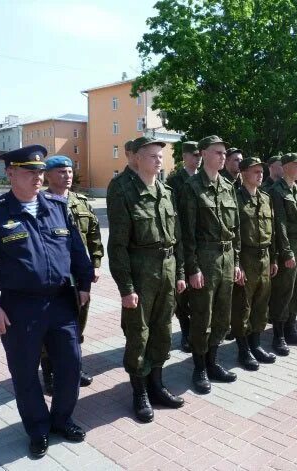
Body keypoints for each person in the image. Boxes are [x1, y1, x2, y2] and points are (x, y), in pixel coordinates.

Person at [0, 145, 93, 457]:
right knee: (25, 373)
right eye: (30, 171)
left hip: (62, 302)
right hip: (20, 306)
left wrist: (85, 282)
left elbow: (77, 248)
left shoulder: (56, 206)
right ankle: (38, 429)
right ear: (10, 173)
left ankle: (62, 419)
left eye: (40, 171)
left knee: (70, 366)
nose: (38, 177)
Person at [107, 136, 186, 422]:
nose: (158, 160)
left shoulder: (165, 191)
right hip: (140, 272)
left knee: (163, 328)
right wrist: (126, 287)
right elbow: (117, 245)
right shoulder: (122, 189)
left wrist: (178, 273)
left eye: (160, 156)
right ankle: (139, 391)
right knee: (138, 333)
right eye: (152, 155)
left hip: (166, 268)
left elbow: (176, 237)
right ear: (137, 158)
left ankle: (157, 384)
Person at [179, 135, 242, 394]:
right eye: (217, 152)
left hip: (226, 259)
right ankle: (199, 368)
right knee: (202, 316)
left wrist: (237, 261)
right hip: (204, 259)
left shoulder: (228, 187)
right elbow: (186, 232)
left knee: (222, 315)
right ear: (203, 153)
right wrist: (192, 268)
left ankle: (213, 362)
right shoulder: (191, 187)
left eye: (224, 153)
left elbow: (235, 229)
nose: (222, 157)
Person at [40, 156, 104, 395]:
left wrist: (96, 263)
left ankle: (72, 368)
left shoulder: (81, 202)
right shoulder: (41, 202)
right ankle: (49, 374)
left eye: (69, 171)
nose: (67, 176)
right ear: (48, 175)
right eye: (60, 172)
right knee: (51, 328)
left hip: (80, 275)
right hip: (55, 276)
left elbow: (95, 235)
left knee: (78, 324)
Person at [231, 157, 278, 370]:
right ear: (243, 173)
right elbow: (233, 234)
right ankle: (243, 350)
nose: (260, 174)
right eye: (255, 171)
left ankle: (256, 345)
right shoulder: (235, 198)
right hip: (246, 257)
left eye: (261, 171)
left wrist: (274, 258)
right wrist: (237, 263)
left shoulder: (266, 198)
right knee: (243, 306)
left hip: (264, 256)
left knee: (261, 302)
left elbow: (273, 232)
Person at [268, 153, 297, 355]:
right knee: (284, 291)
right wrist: (286, 253)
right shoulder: (276, 191)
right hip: (289, 246)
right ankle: (278, 336)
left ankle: (291, 329)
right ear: (285, 167)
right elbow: (280, 225)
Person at [165, 141, 202, 353]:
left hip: (200, 241)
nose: (198, 158)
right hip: (181, 239)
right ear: (185, 156)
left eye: (200, 155)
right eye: (194, 154)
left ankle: (196, 331)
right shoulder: (174, 180)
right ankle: (185, 332)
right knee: (183, 293)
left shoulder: (202, 178)